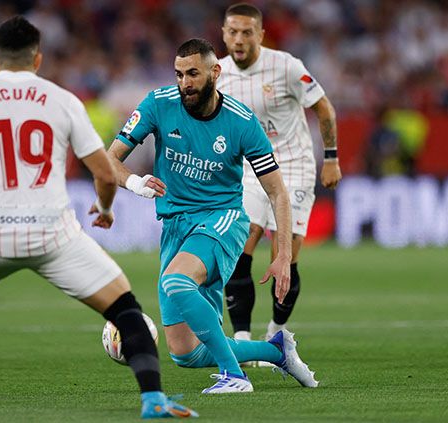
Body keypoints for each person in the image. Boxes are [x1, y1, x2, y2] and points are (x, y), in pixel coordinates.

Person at [0, 16, 196, 418]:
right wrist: (106, 209)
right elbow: (105, 172)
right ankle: (154, 399)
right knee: (125, 307)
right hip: (52, 234)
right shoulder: (62, 100)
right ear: (38, 59)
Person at [106, 38, 318, 394]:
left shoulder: (241, 122)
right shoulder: (159, 104)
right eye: (179, 74)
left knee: (176, 281)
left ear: (214, 72)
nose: (185, 82)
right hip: (176, 227)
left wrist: (282, 254)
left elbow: (277, 190)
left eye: (192, 73)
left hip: (222, 220)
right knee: (184, 352)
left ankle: (235, 376)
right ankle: (275, 351)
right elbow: (109, 158)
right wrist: (133, 181)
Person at [218, 3, 342, 351]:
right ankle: (242, 339)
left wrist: (330, 158)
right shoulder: (217, 73)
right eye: (232, 32)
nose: (239, 39)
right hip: (247, 168)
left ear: (260, 34)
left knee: (284, 253)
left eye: (246, 32)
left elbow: (324, 108)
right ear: (224, 34)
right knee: (238, 246)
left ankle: (276, 331)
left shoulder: (286, 66)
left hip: (293, 165)